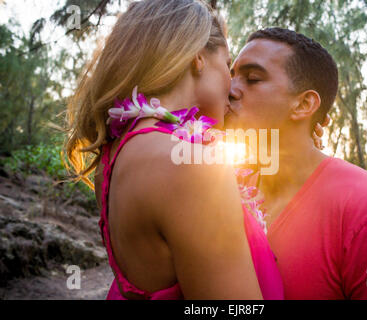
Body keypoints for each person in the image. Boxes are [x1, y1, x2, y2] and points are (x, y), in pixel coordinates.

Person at [64, 0, 287, 300]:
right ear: (197, 59)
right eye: (227, 64)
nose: (232, 85)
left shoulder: (115, 154)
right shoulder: (191, 166)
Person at [225, 27, 367, 299]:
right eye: (230, 76)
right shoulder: (226, 189)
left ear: (304, 104)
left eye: (252, 78)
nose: (229, 90)